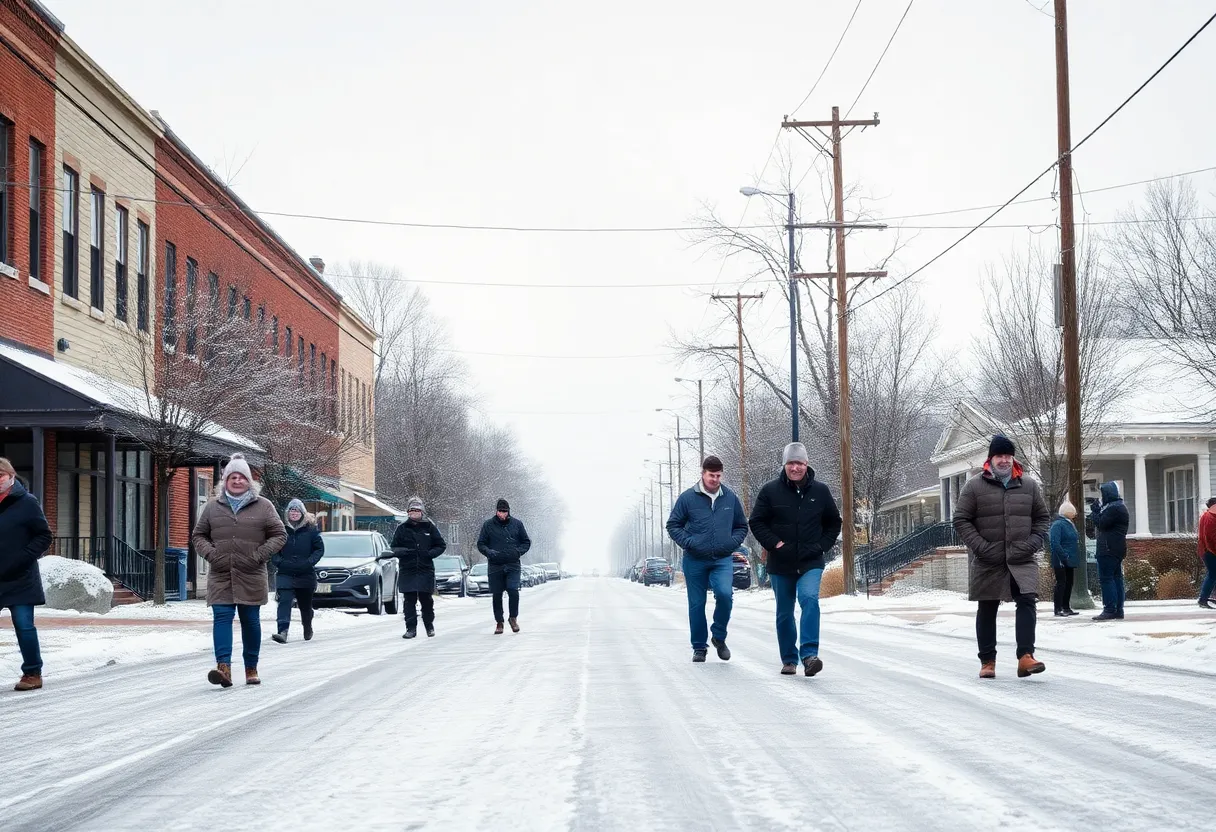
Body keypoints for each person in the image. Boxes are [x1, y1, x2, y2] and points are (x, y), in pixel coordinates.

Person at [952, 435, 1050, 679]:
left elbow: (1042, 519)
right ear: (991, 459)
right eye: (1000, 456)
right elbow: (961, 519)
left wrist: (1033, 543)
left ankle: (1026, 657)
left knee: (1027, 600)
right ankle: (988, 661)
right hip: (988, 558)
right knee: (987, 605)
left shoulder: (1028, 485)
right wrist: (981, 547)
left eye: (1008, 456)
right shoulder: (974, 486)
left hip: (1022, 557)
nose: (1004, 460)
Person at [192, 454, 287, 687]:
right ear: (224, 481)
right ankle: (223, 668)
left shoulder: (264, 506)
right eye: (231, 477)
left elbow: (279, 534)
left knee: (250, 621)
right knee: (222, 618)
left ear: (249, 481)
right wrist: (212, 555)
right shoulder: (212, 507)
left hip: (251, 573)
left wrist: (258, 556)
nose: (236, 481)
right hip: (221, 573)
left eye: (241, 477)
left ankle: (251, 667)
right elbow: (198, 535)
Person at [749, 442, 842, 677]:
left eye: (799, 462)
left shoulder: (820, 491)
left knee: (810, 599)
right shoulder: (770, 491)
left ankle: (810, 655)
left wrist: (821, 546)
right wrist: (774, 543)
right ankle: (789, 659)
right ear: (785, 465)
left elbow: (834, 523)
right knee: (784, 612)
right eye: (791, 463)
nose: (795, 467)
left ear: (806, 464)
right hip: (780, 563)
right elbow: (756, 521)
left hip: (811, 561)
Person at [665, 455, 748, 663]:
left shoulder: (729, 497)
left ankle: (719, 636)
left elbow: (741, 526)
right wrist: (689, 542)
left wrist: (731, 543)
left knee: (725, 595)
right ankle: (699, 647)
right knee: (696, 604)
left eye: (718, 475)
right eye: (711, 475)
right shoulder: (687, 498)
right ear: (703, 473)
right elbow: (673, 525)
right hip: (695, 560)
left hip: (721, 558)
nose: (715, 479)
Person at [0, 458, 52, 692]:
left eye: (0, 476)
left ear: (11, 476)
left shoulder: (27, 502)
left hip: (20, 577)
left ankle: (32, 673)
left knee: (23, 625)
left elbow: (43, 536)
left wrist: (23, 558)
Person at [380, 497, 447, 639]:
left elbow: (441, 545)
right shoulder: (402, 528)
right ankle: (411, 628)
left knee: (426, 600)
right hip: (407, 569)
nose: (414, 513)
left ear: (422, 512)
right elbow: (394, 547)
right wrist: (403, 552)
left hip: (425, 568)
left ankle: (429, 626)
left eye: (417, 510)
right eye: (411, 511)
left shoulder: (429, 527)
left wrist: (430, 554)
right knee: (409, 601)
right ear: (408, 512)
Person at [270, 499, 323, 644]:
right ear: (288, 513)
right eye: (292, 510)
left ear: (302, 513)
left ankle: (307, 626)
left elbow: (319, 549)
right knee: (284, 601)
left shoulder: (311, 530)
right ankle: (283, 631)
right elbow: (273, 548)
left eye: (297, 511)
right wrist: (279, 562)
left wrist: (309, 562)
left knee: (305, 605)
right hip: (285, 572)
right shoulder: (280, 529)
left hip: (305, 573)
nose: (294, 513)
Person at [477, 499, 531, 634]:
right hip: (495, 564)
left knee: (513, 590)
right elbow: (481, 543)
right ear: (496, 511)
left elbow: (526, 542)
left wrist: (518, 551)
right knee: (497, 594)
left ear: (508, 512)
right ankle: (499, 622)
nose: (502, 514)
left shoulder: (517, 524)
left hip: (512, 563)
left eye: (505, 511)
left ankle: (513, 618)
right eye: (500, 511)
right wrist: (489, 552)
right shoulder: (488, 525)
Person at [1090, 482, 1129, 621]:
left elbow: (1101, 523)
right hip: (1117, 548)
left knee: (1106, 579)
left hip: (1108, 548)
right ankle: (1118, 609)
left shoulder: (1114, 508)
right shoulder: (1119, 507)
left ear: (1108, 494)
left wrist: (1095, 511)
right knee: (1117, 578)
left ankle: (1110, 609)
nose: (1101, 497)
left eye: (1103, 494)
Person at [1049, 500, 1080, 617]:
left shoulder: (1069, 523)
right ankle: (1058, 608)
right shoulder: (1058, 524)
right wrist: (1064, 556)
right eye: (1073, 512)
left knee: (1069, 583)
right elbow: (1054, 543)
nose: (1075, 514)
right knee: (1061, 583)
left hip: (1069, 559)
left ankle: (1066, 606)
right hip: (1061, 559)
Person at [1198, 497, 1216, 609]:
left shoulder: (1207, 516)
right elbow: (1212, 537)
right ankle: (1203, 599)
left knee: (1213, 574)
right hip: (1210, 551)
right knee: (1212, 574)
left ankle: (1207, 598)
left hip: (1206, 550)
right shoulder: (1211, 518)